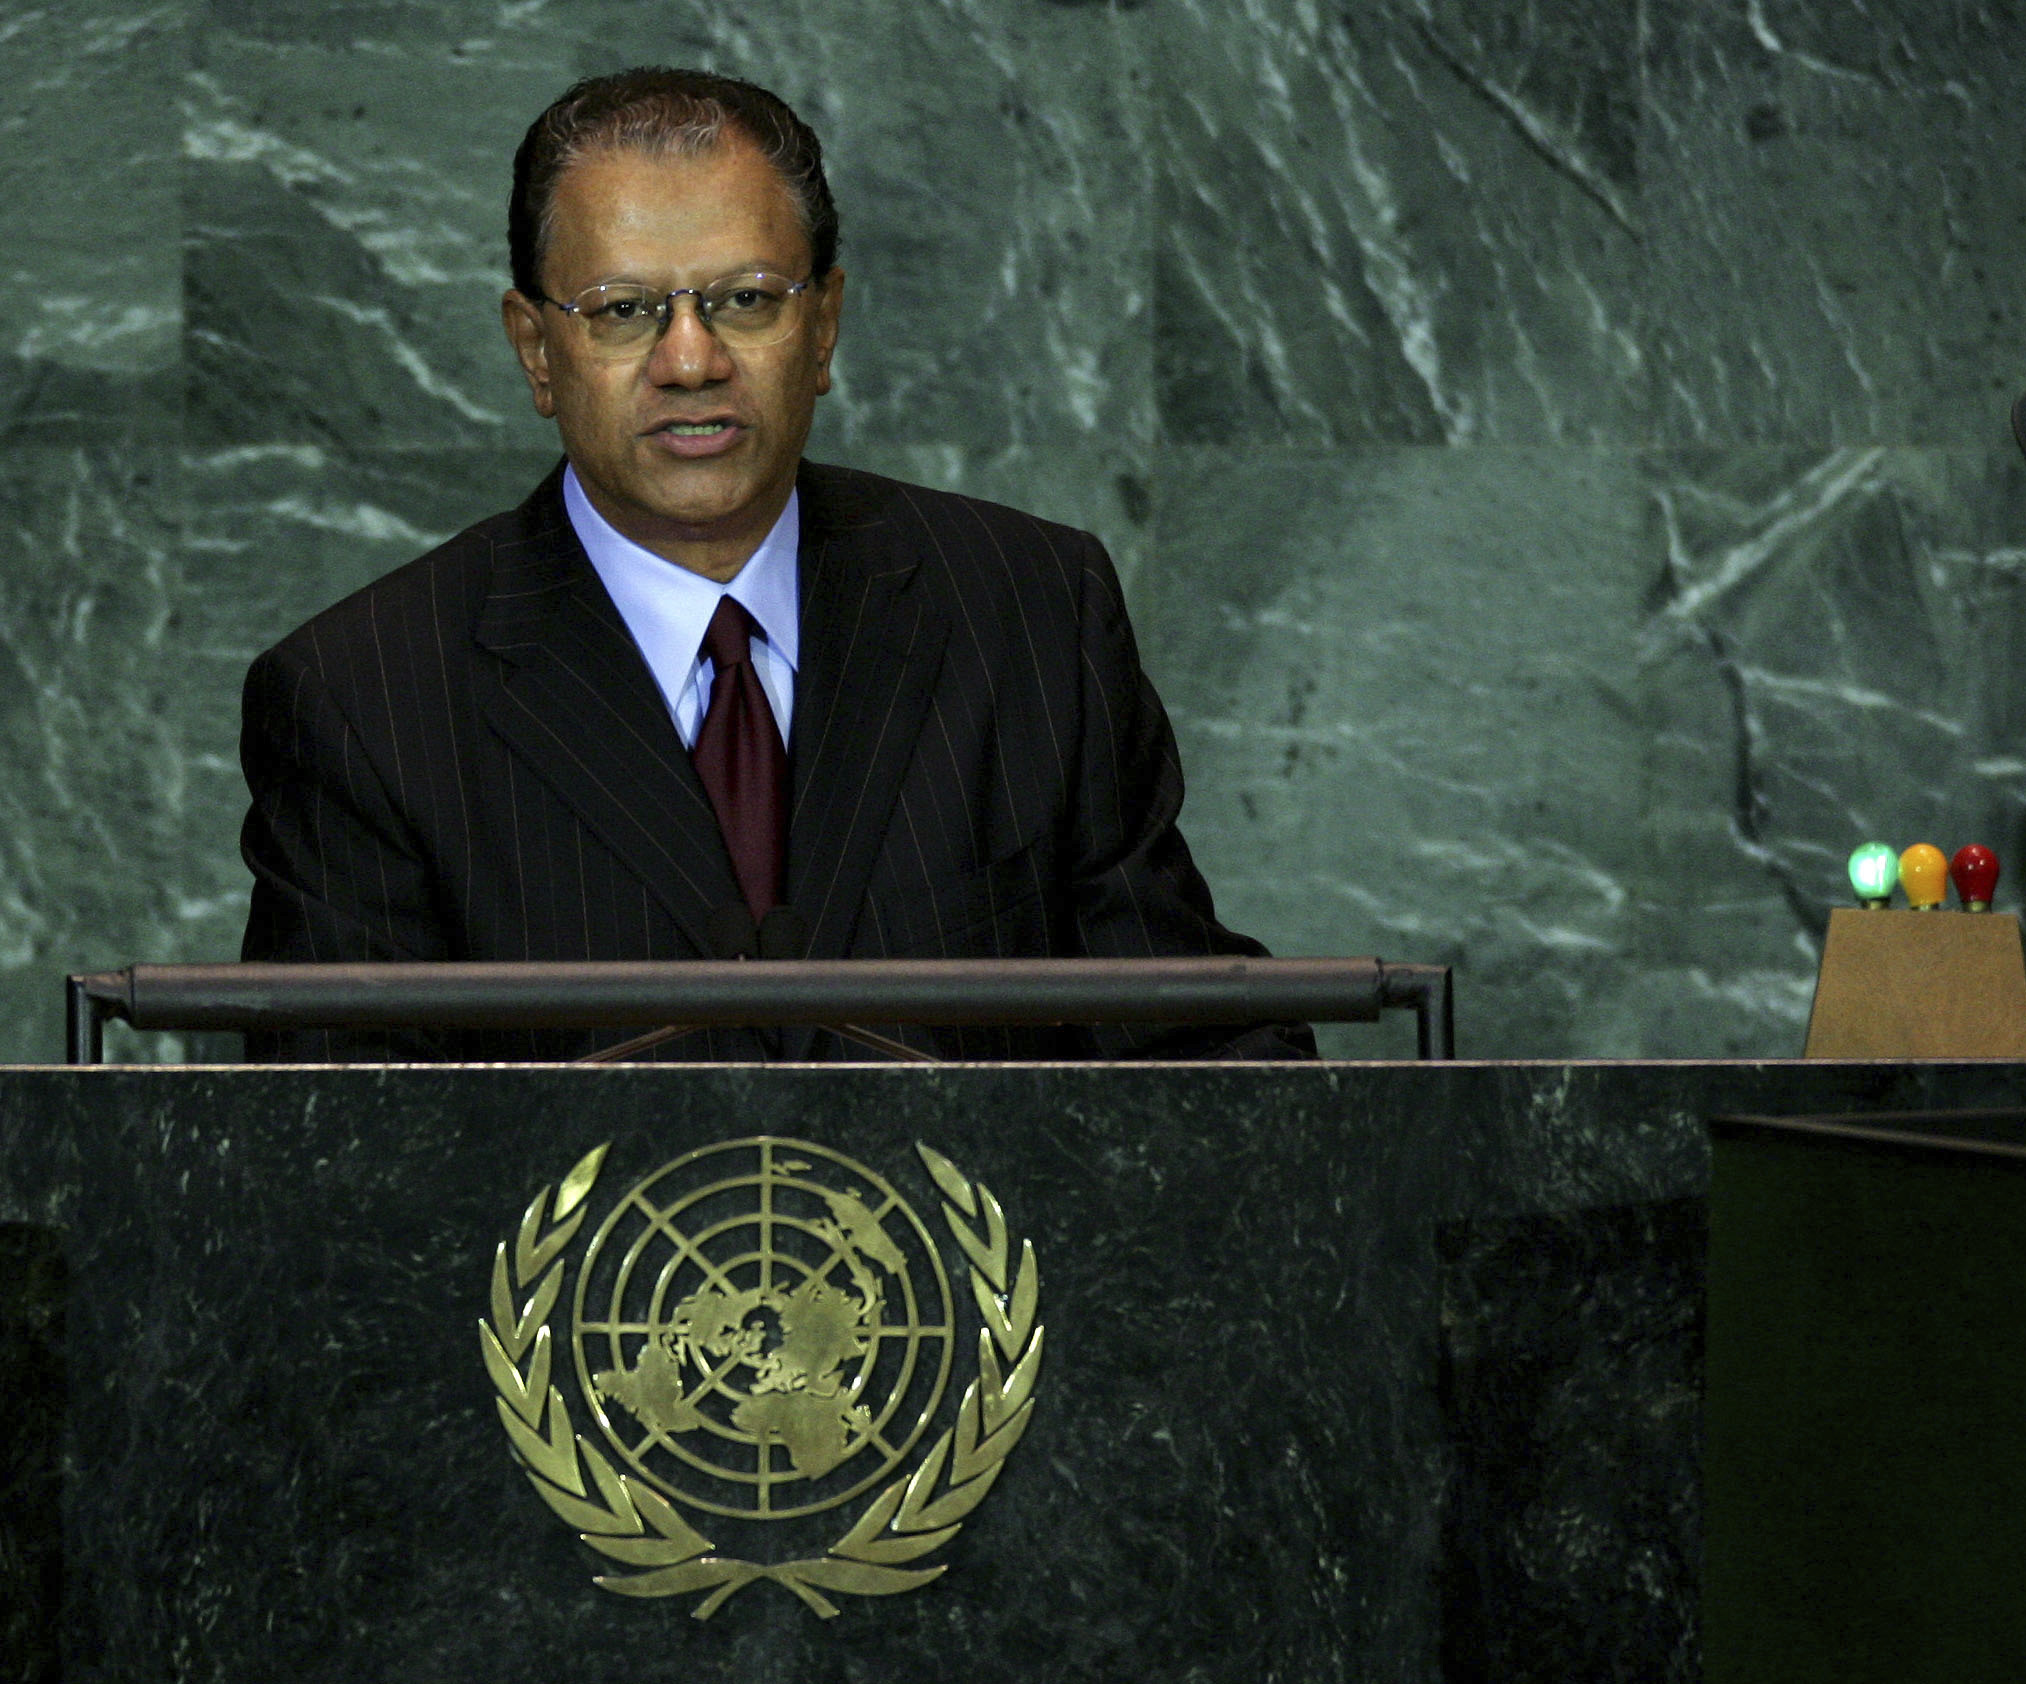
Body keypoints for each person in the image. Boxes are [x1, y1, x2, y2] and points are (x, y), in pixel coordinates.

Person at [238, 66, 1312, 1062]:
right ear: (534, 350)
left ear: (826, 325)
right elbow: (341, 1166)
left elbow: (1192, 1062)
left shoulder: (1029, 610)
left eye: (745, 298)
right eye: (622, 312)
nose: (691, 359)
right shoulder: (364, 699)